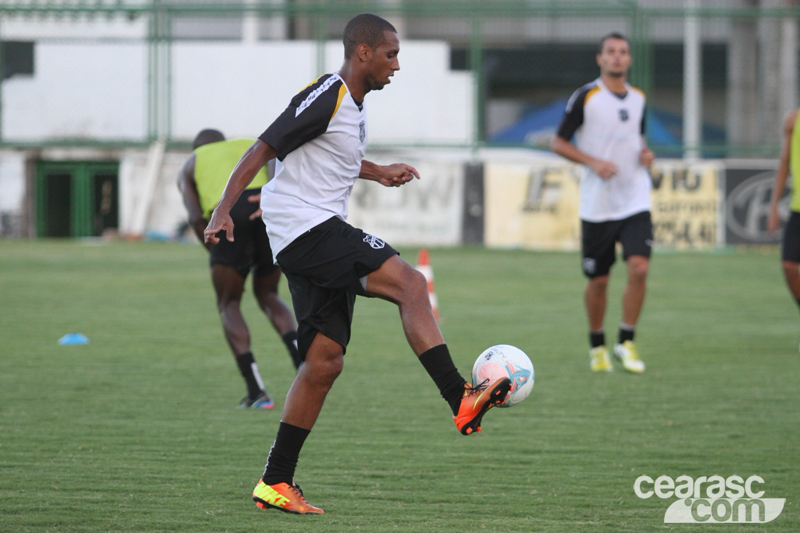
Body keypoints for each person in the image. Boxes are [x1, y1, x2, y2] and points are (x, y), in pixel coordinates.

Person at [203, 14, 511, 515]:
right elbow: (265, 146)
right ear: (363, 52)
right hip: (307, 227)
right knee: (411, 284)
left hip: (307, 230)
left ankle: (275, 481)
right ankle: (460, 397)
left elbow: (330, 157)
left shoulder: (354, 105)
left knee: (324, 361)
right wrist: (223, 208)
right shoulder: (329, 93)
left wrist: (378, 171)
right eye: (391, 54)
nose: (396, 65)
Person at [550, 32, 654, 374]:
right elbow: (558, 143)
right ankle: (597, 346)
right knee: (599, 281)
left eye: (623, 51)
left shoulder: (638, 98)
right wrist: (593, 162)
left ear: (630, 59)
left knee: (639, 268)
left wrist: (646, 155)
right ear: (600, 59)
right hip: (599, 205)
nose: (617, 57)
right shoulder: (587, 97)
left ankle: (626, 341)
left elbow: (638, 140)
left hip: (635, 197)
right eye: (611, 51)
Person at [178, 129, 302, 410]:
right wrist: (273, 198)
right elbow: (276, 159)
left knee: (229, 303)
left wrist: (217, 252)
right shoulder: (248, 144)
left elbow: (195, 217)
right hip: (264, 207)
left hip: (228, 214)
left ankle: (257, 391)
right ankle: (302, 365)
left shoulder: (191, 162)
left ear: (197, 148)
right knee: (269, 295)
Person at [768, 109, 800, 347]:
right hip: (798, 209)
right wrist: (774, 206)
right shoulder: (793, 121)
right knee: (789, 266)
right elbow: (785, 163)